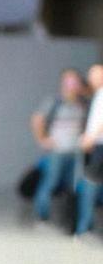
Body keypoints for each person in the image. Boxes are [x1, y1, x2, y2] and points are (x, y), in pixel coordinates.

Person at [30, 68, 89, 223]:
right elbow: (37, 119)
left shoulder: (83, 103)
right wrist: (42, 139)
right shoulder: (54, 101)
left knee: (71, 185)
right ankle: (42, 215)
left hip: (75, 151)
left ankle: (65, 216)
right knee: (51, 182)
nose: (72, 84)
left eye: (75, 81)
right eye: (69, 81)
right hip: (57, 151)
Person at [75, 63, 103, 235]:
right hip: (95, 145)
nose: (92, 79)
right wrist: (87, 136)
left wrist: (91, 138)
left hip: (99, 145)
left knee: (90, 186)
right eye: (91, 75)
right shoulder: (97, 95)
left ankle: (85, 228)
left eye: (96, 75)